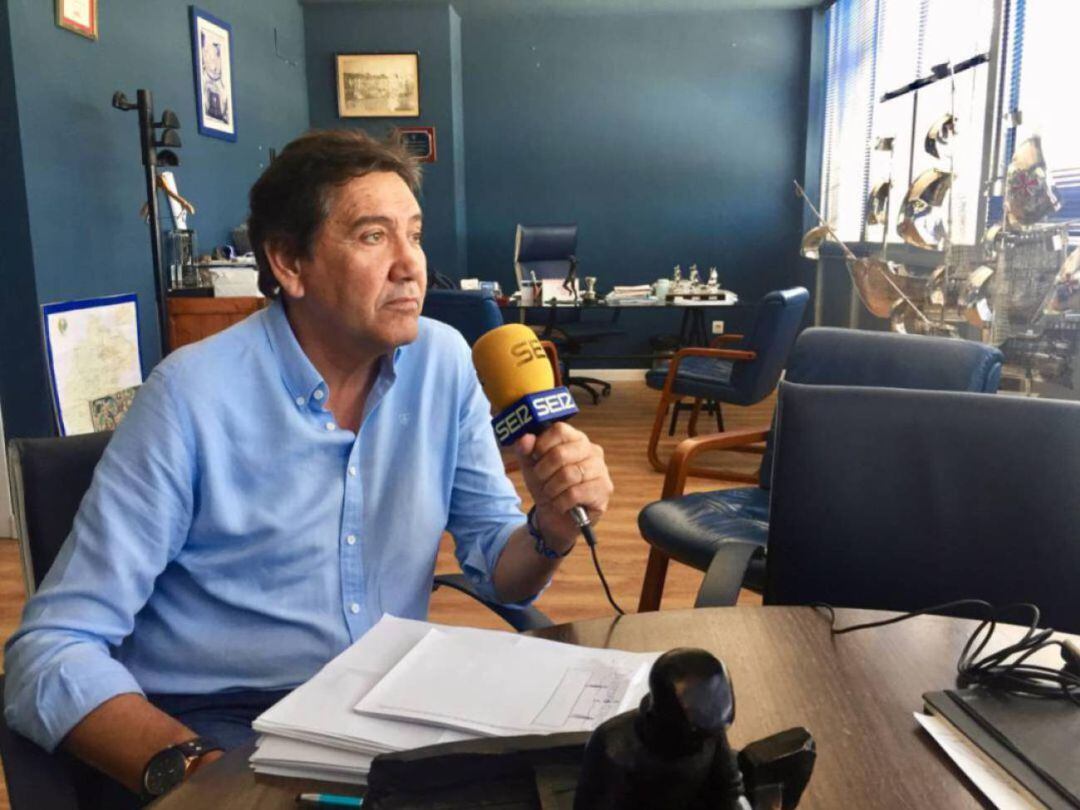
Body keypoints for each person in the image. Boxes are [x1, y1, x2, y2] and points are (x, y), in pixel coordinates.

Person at [3, 129, 613, 803]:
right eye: (373, 237)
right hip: (221, 721)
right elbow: (49, 652)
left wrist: (551, 528)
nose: (412, 265)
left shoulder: (444, 364)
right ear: (290, 263)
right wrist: (203, 775)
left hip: (383, 703)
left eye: (414, 233)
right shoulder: (189, 397)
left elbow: (503, 569)